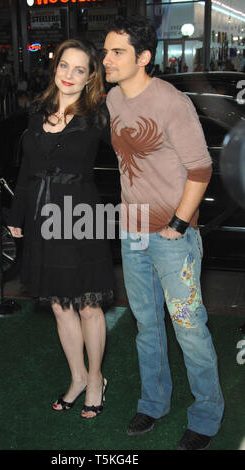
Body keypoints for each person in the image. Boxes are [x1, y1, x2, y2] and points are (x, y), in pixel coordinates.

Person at [102, 16, 224, 450]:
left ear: (144, 57)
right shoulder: (114, 99)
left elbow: (201, 168)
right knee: (147, 325)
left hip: (172, 238)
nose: (107, 59)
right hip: (132, 234)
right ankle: (153, 403)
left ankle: (206, 418)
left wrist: (177, 224)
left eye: (117, 52)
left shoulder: (170, 101)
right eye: (105, 51)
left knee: (189, 328)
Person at [8, 38, 114, 419]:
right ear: (55, 69)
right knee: (59, 305)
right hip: (41, 216)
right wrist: (16, 216)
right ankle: (78, 377)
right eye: (64, 66)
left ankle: (97, 377)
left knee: (87, 306)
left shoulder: (99, 115)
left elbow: (134, 153)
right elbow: (25, 170)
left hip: (81, 216)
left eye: (79, 69)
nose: (69, 75)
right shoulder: (39, 112)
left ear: (90, 78)